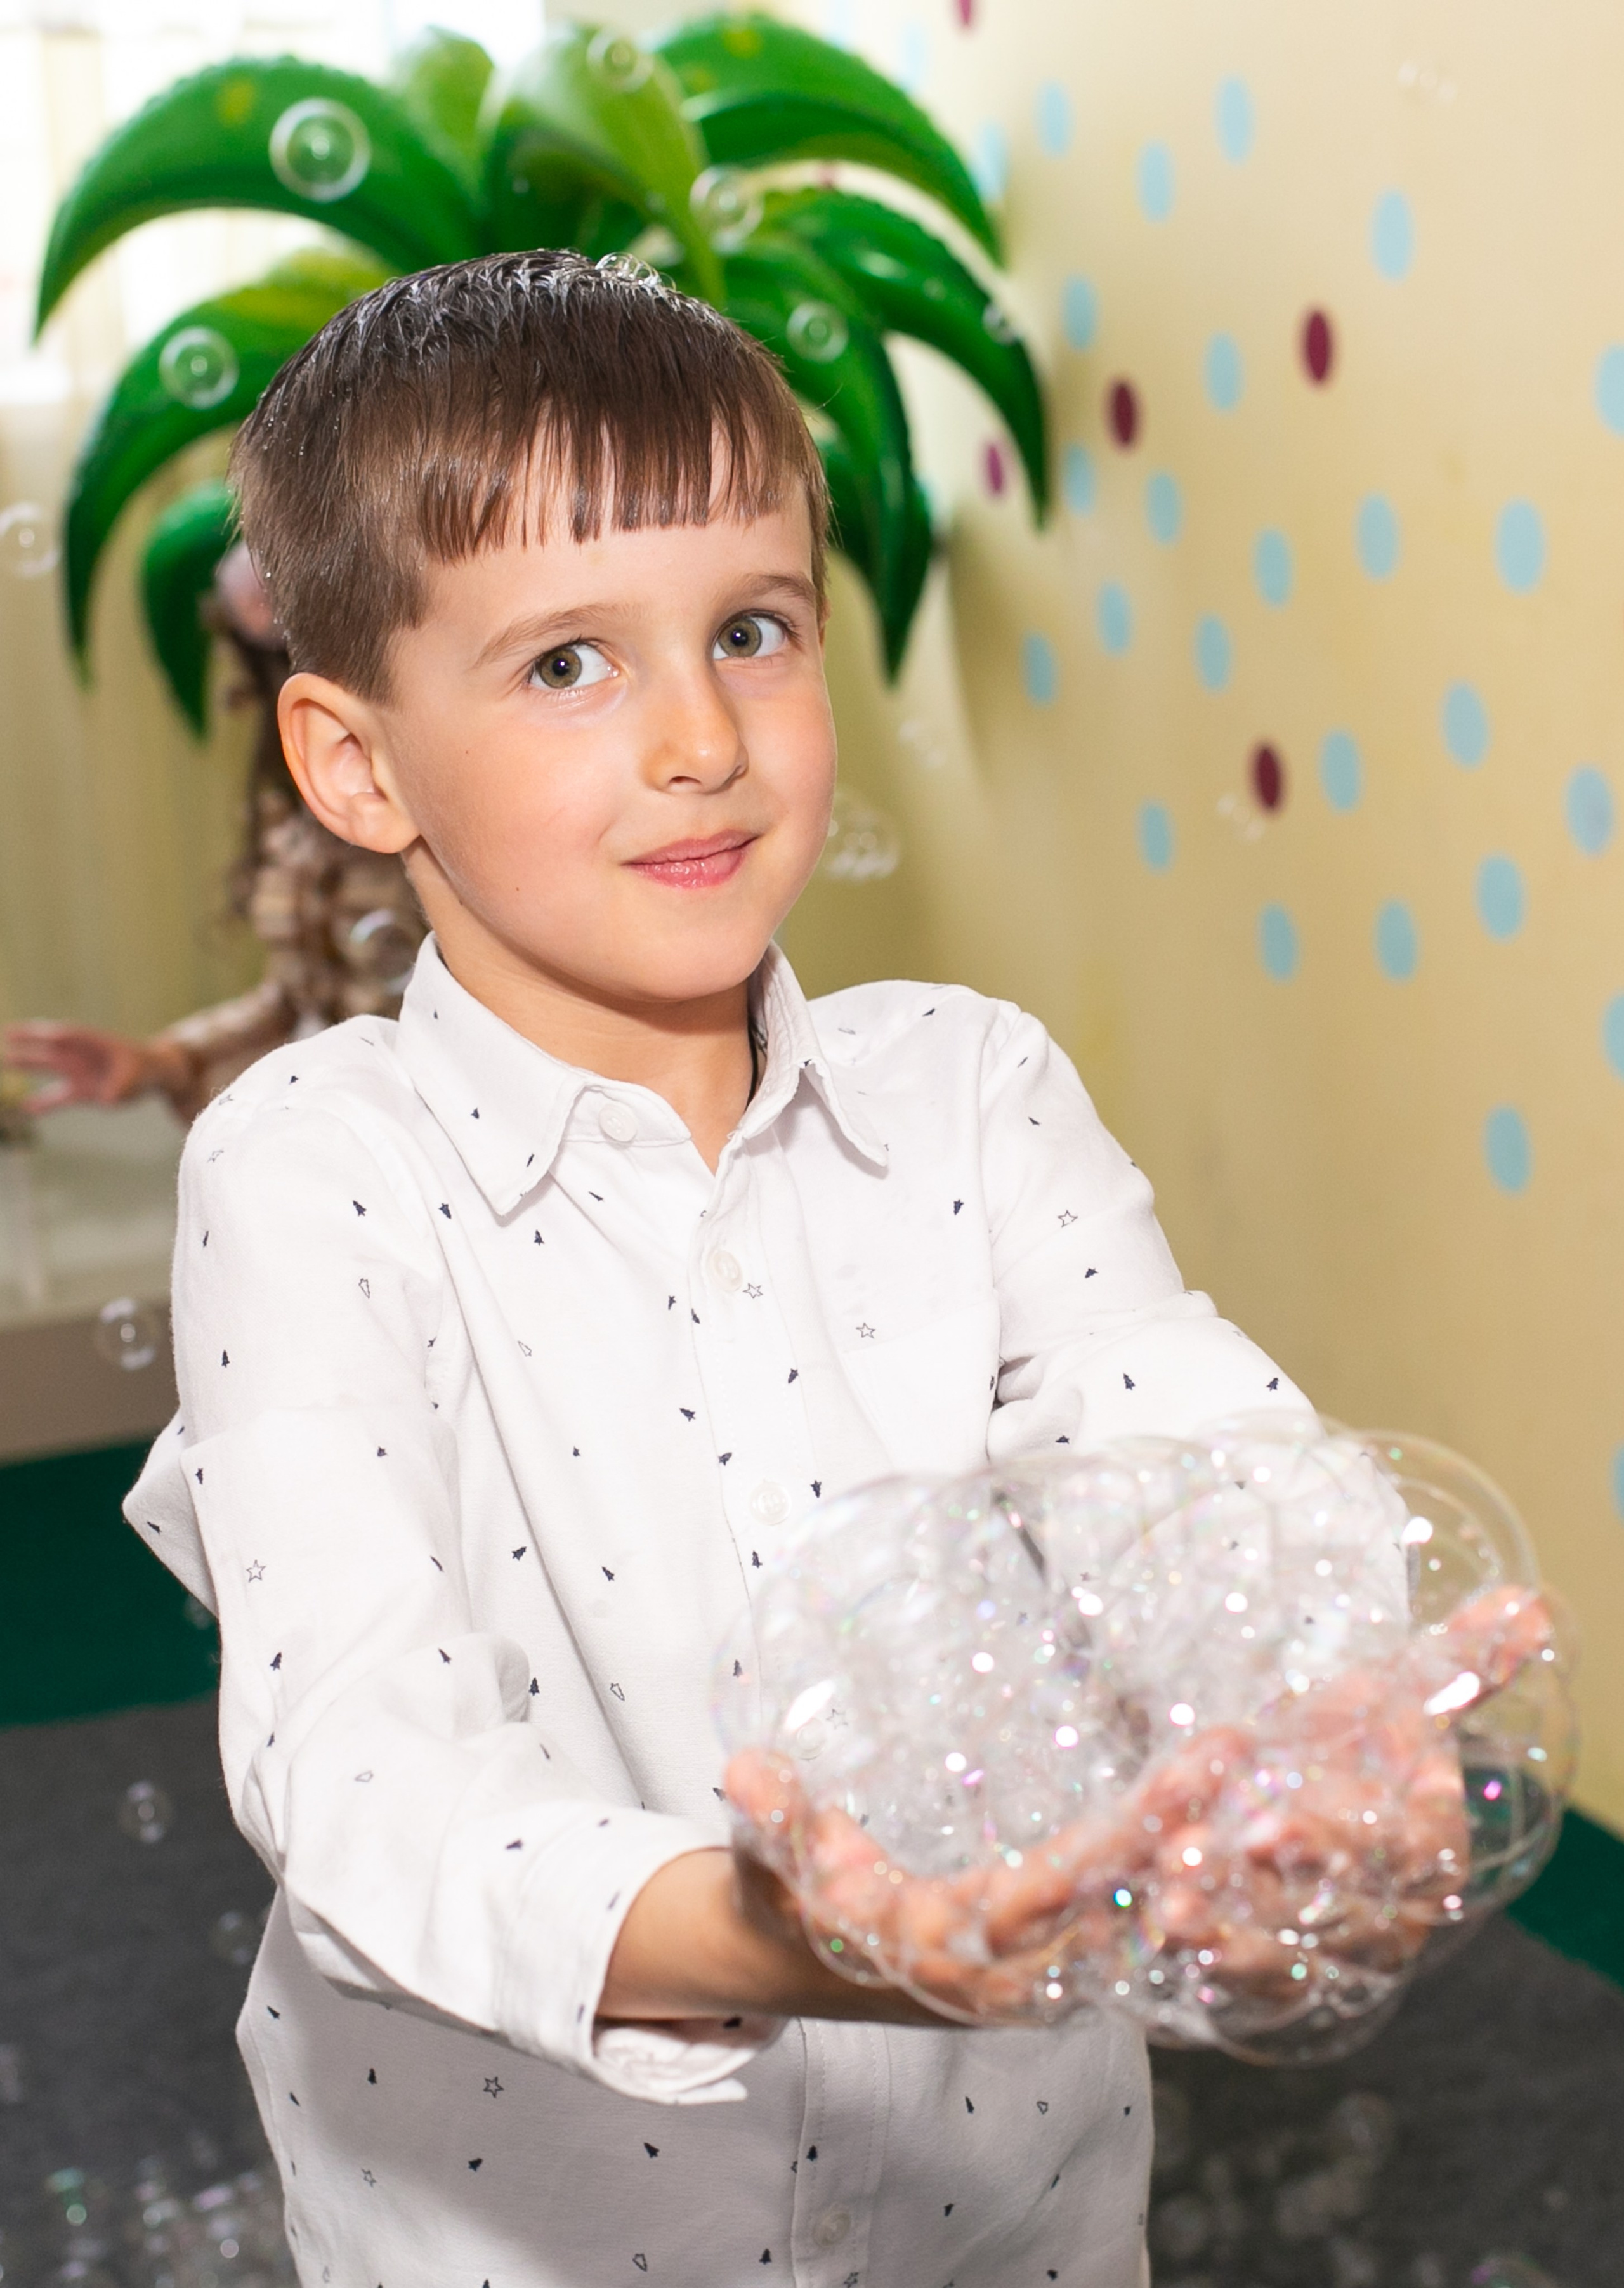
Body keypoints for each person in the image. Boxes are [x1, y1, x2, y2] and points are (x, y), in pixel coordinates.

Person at [122, 250, 1398, 2288]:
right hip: (526, 2225)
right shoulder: (311, 1164)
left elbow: (1187, 1436)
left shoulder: (974, 1092)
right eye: (566, 664)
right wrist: (775, 1938)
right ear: (354, 763)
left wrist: (1328, 1705)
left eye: (750, 626)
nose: (701, 735)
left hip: (1014, 2203)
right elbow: (356, 1760)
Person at [3, 546, 424, 1125]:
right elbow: (296, 1003)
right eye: (264, 669)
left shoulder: (437, 808)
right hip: (336, 1134)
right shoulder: (294, 817)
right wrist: (165, 1060)